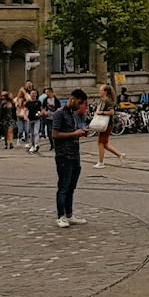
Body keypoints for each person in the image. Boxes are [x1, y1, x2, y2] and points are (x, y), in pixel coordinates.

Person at [50, 88, 89, 228]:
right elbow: (54, 134)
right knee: (63, 187)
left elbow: (76, 131)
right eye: (79, 103)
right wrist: (74, 134)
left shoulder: (74, 115)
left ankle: (69, 214)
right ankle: (61, 216)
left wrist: (82, 132)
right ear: (72, 99)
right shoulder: (59, 114)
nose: (79, 106)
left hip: (75, 154)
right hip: (63, 155)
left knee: (71, 187)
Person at [93, 83, 125, 168]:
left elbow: (111, 112)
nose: (99, 92)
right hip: (104, 123)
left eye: (101, 90)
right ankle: (119, 155)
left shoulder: (108, 101)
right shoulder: (102, 100)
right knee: (105, 143)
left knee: (100, 142)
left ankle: (101, 162)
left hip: (107, 124)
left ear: (105, 92)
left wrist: (101, 112)